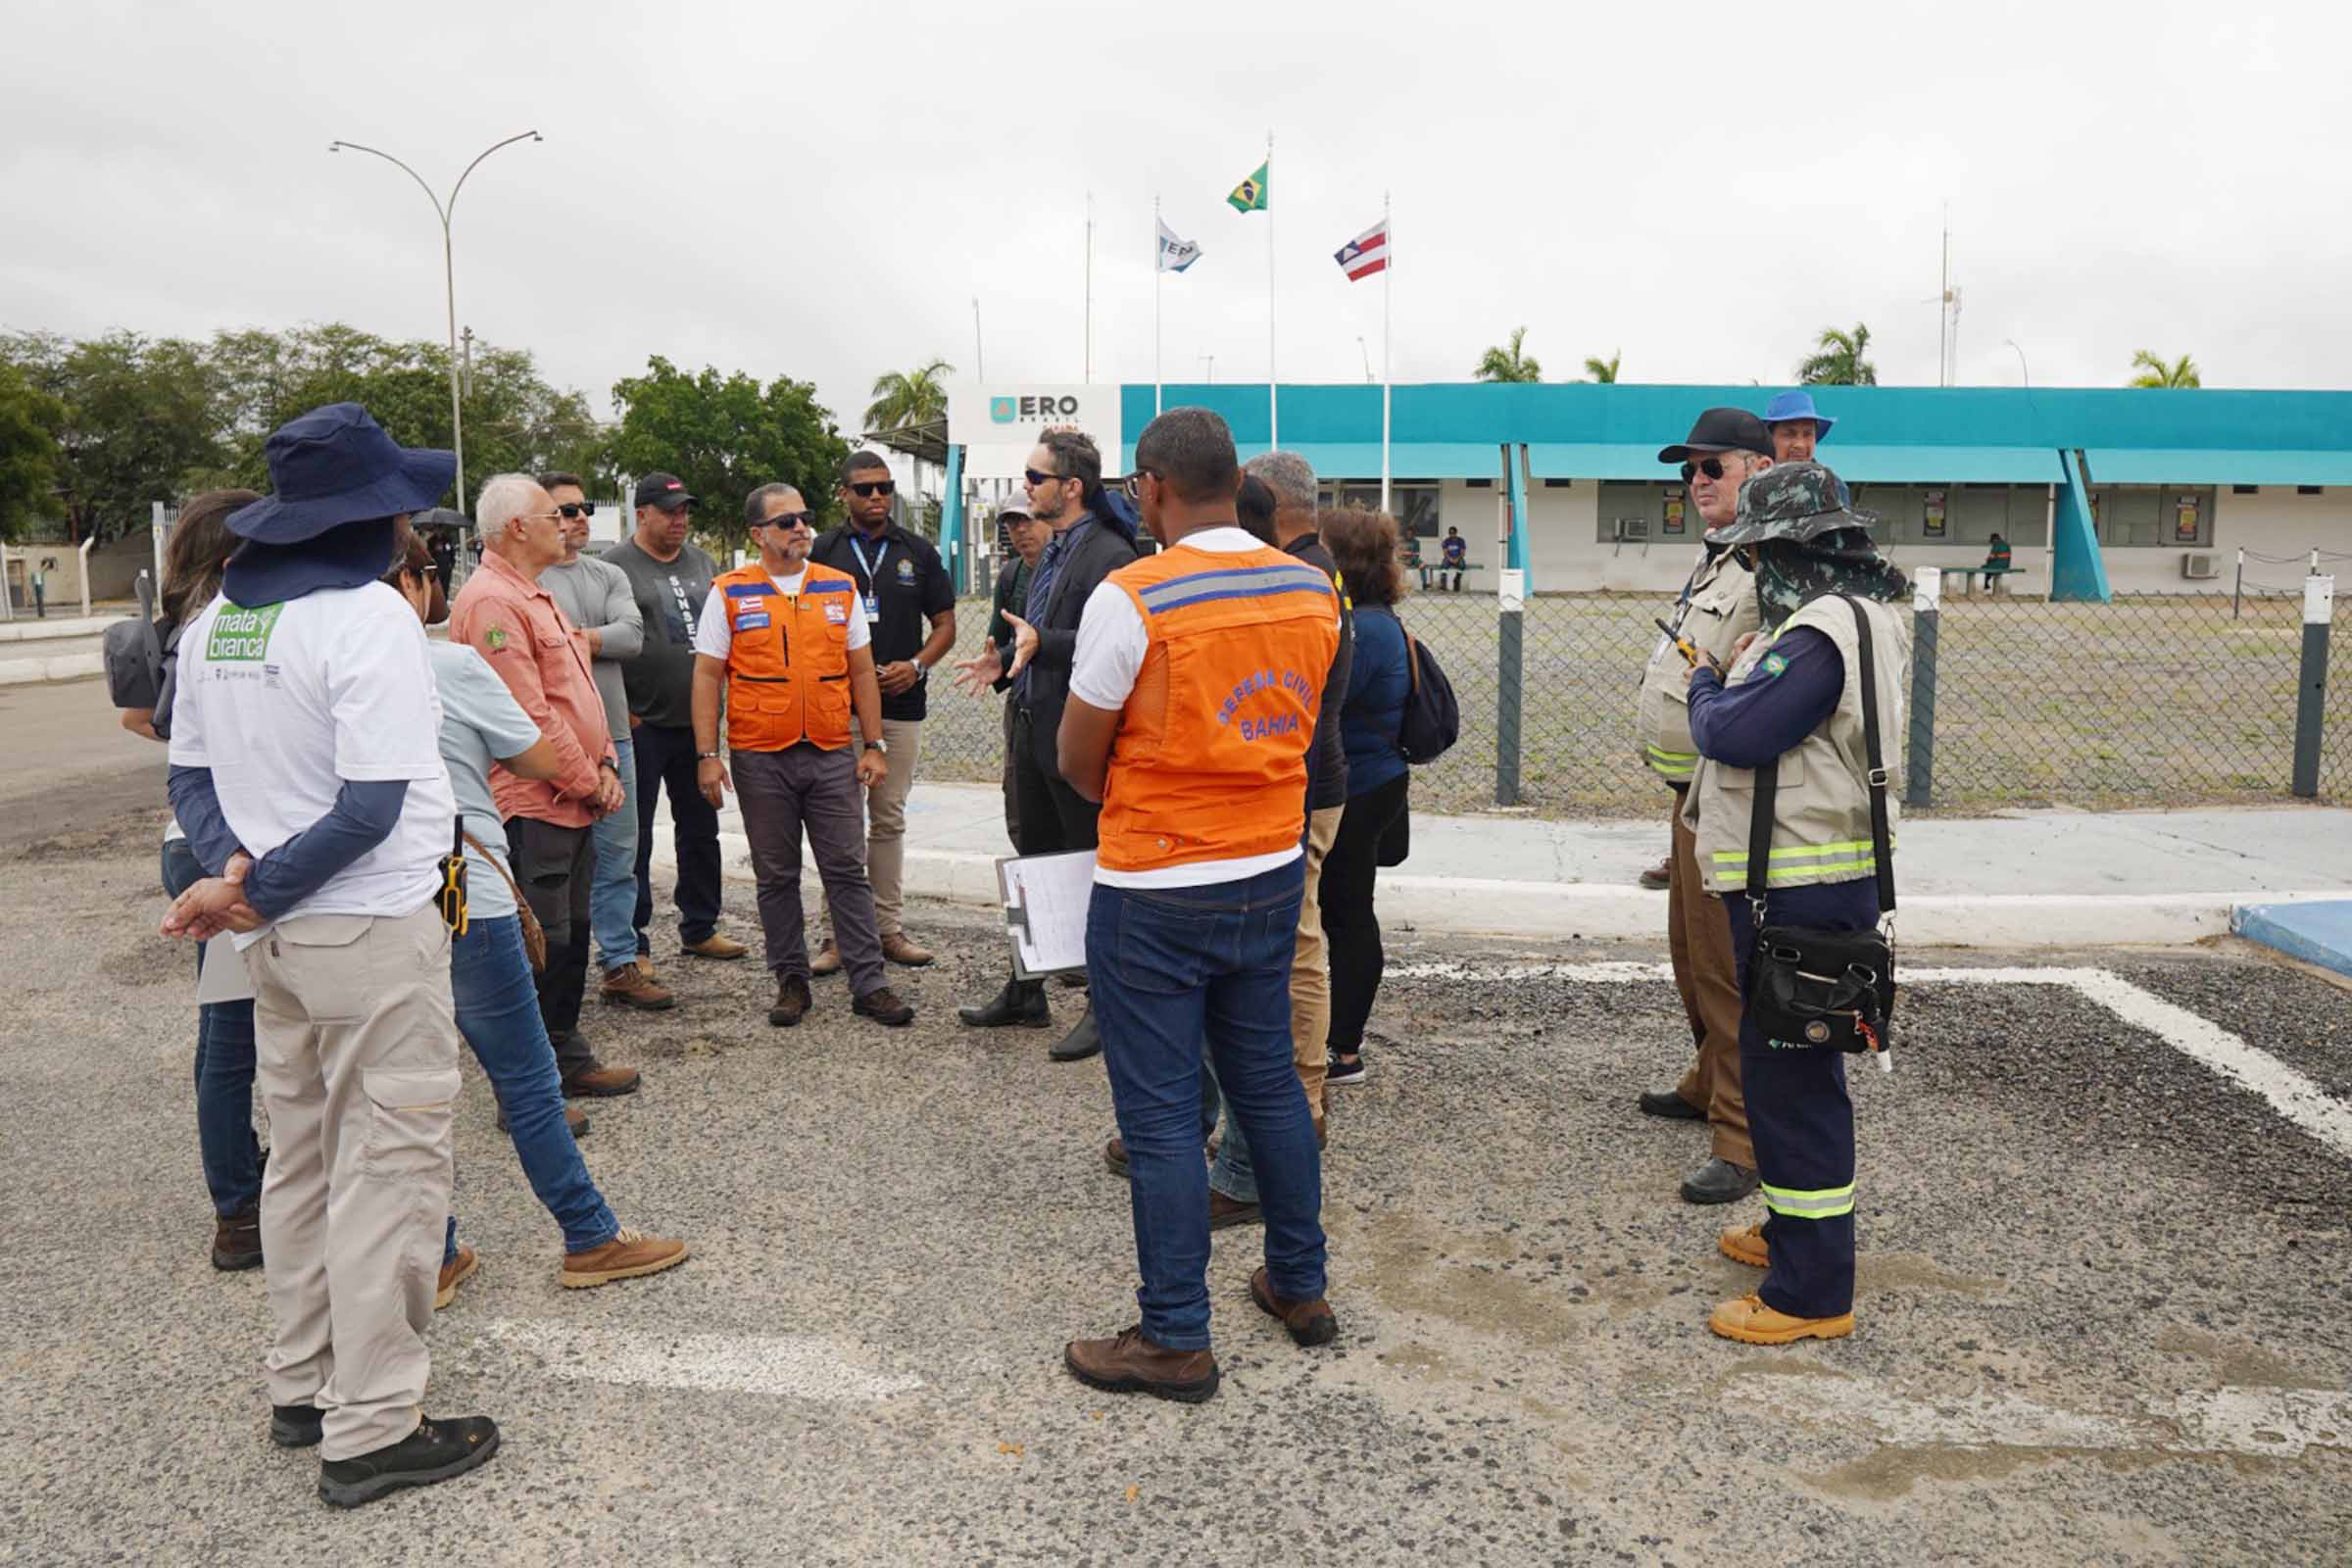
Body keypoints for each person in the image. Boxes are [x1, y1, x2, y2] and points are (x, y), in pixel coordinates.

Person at [158, 401, 497, 1506]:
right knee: (387, 1171)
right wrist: (256, 887)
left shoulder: (218, 623)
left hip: (282, 946)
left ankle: (301, 1385)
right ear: (368, 519)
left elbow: (191, 777)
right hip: (367, 930)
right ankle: (372, 1426)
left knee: (299, 1159)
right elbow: (371, 806)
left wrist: (239, 878)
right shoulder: (367, 619)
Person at [1056, 406, 1342, 1401]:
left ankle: (1176, 1333)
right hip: (1265, 870)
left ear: (1151, 486)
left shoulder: (1133, 596)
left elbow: (1078, 756)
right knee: (1267, 1083)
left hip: (1156, 886)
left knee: (1165, 1113)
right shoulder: (1311, 588)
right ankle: (1299, 1284)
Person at [381, 536, 691, 1295]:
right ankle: (589, 1235)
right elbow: (533, 754)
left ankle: (439, 1250)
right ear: (414, 583)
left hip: (376, 899)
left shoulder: (321, 670)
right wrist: (595, 771)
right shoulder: (449, 664)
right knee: (525, 1076)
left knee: (403, 1083)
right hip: (465, 887)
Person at [1683, 461, 1909, 1346]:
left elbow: (1734, 733)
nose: (1755, 575)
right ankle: (1789, 1233)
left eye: (1761, 556)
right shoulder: (1862, 619)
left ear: (1792, 551)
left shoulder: (1819, 633)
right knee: (1785, 1075)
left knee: (1796, 1090)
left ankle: (1811, 1294)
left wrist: (1711, 679)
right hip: (1811, 880)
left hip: (1802, 888)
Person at [951, 428, 1145, 1060]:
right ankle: (1026, 987)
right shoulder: (1055, 550)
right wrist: (1005, 661)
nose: (1026, 487)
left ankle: (1104, 1005)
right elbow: (1039, 634)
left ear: (1071, 487)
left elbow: (1104, 646)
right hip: (1034, 727)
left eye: (1035, 478)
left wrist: (1040, 647)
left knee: (1090, 870)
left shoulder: (1110, 556)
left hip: (1076, 736)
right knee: (1034, 863)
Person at [691, 483, 914, 1029]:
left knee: (846, 869)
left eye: (804, 518)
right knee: (776, 875)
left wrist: (874, 744)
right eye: (786, 521)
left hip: (831, 753)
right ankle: (791, 981)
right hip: (760, 757)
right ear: (758, 534)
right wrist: (707, 754)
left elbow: (862, 670)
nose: (800, 529)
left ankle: (870, 983)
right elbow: (706, 675)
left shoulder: (839, 589)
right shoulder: (729, 592)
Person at [449, 475, 640, 1103]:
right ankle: (525, 1088)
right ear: (516, 528)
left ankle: (565, 1054)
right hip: (534, 805)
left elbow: (580, 691)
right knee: (538, 944)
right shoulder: (490, 605)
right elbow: (526, 715)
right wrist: (591, 781)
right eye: (553, 513)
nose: (567, 522)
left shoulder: (536, 594)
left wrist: (606, 763)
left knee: (572, 935)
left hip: (576, 798)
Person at [122, 488, 268, 1269]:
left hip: (204, 841)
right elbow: (179, 734)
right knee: (231, 1037)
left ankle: (246, 1184)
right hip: (217, 847)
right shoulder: (218, 628)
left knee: (231, 1032)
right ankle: (238, 1212)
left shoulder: (189, 623)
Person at [1632, 409, 1772, 1208]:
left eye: (1710, 467)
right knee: (1690, 959)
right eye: (1688, 470)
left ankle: (1743, 1135)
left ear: (1754, 469)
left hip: (1730, 798)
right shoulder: (1718, 560)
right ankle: (1706, 1079)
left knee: (1724, 970)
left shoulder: (1767, 567)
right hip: (1690, 796)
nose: (1695, 481)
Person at [808, 452, 956, 972]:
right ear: (844, 494)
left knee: (888, 819)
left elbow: (946, 624)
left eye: (885, 488)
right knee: (838, 822)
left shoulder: (916, 551)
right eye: (865, 488)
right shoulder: (821, 551)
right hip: (836, 709)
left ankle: (888, 929)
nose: (877, 497)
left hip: (901, 708)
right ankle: (837, 936)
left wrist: (916, 665)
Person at [536, 472, 669, 1012]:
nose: (579, 518)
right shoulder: (529, 582)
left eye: (582, 507)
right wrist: (596, 639)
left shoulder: (609, 573)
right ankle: (548, 972)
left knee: (619, 856)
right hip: (545, 746)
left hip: (614, 741)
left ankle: (619, 960)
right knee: (550, 864)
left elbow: (632, 636)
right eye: (565, 511)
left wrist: (570, 638)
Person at [605, 473, 749, 968]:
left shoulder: (702, 563)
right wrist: (621, 709)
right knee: (635, 836)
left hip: (696, 725)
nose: (679, 520)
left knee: (699, 828)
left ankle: (700, 926)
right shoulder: (614, 568)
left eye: (685, 510)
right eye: (669, 511)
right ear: (641, 514)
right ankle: (634, 942)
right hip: (641, 724)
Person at [1316, 507, 1411, 1088]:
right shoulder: (1369, 619)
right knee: (1343, 912)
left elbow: (1323, 696)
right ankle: (1336, 1038)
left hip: (1361, 787)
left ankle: (1345, 1050)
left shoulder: (1366, 630)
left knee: (1348, 917)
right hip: (1367, 782)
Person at [986, 495, 1049, 846]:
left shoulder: (1069, 567)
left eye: (1027, 520)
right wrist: (994, 662)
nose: (1020, 530)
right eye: (1012, 523)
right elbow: (996, 642)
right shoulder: (1012, 575)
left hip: (1065, 699)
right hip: (1023, 702)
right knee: (1020, 804)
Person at [1761, 390, 1836, 465]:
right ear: (1770, 438)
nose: (1800, 445)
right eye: (1789, 434)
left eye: (1808, 434)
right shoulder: (1754, 474)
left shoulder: (1825, 475)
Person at [1438, 527, 1466, 592]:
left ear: (1456, 533)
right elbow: (1445, 553)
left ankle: (1457, 580)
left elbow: (1463, 553)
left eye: (1453, 533)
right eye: (1450, 533)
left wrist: (1457, 559)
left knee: (1462, 565)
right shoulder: (1446, 541)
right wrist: (1450, 558)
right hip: (1448, 558)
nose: (1452, 535)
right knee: (1443, 565)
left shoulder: (1461, 540)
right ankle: (1443, 585)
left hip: (1458, 557)